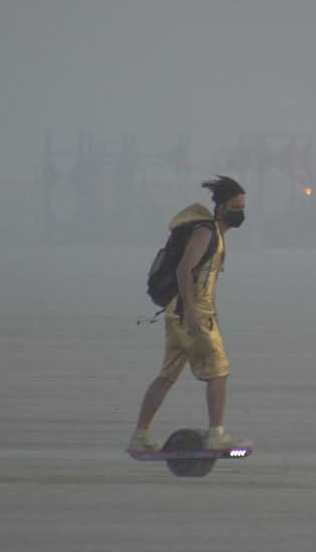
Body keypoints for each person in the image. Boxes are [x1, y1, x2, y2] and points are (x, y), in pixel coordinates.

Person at [127, 176, 251, 453]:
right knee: (219, 371)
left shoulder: (215, 235)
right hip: (193, 315)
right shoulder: (206, 232)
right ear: (220, 208)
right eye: (235, 207)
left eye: (243, 207)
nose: (240, 212)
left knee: (167, 376)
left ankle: (140, 436)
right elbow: (184, 269)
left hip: (181, 315)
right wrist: (194, 313)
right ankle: (216, 434)